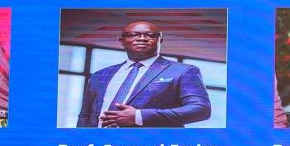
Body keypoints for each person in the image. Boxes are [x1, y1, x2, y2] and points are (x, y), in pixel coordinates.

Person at [75, 20, 211, 128]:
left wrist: (139, 116)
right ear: (122, 41)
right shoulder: (100, 75)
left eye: (150, 35)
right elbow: (85, 115)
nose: (142, 38)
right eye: (133, 34)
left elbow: (200, 109)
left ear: (160, 41)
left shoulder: (183, 71)